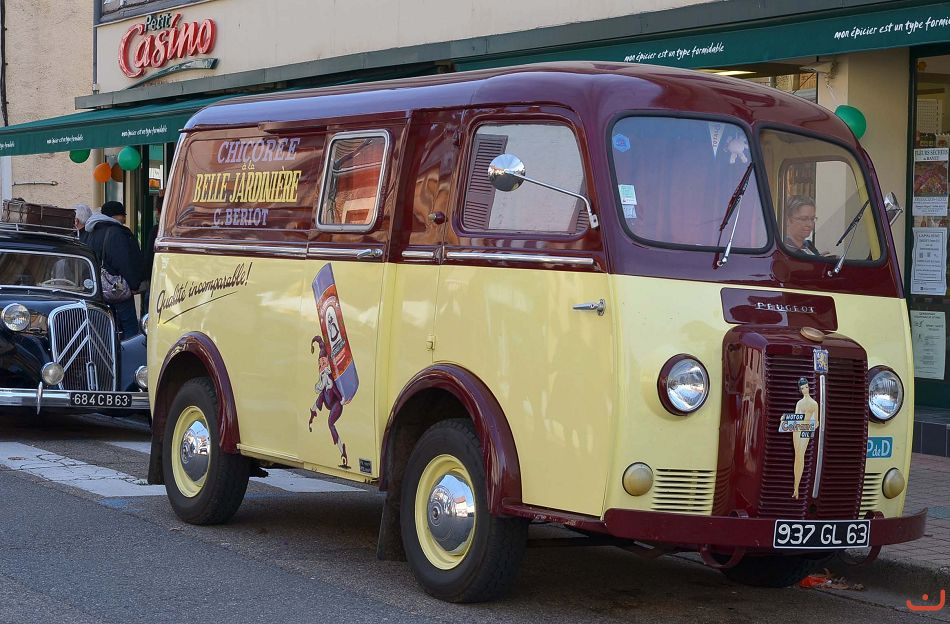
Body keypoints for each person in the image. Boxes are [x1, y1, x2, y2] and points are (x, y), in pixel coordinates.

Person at [85, 200, 144, 337]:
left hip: (97, 289)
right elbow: (124, 262)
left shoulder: (91, 232)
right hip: (117, 288)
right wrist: (134, 284)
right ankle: (130, 351)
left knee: (104, 327)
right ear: (116, 216)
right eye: (123, 215)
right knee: (130, 327)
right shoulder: (117, 233)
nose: (124, 219)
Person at [791, 377, 819, 499]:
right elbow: (796, 418)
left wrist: (811, 426)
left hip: (806, 429)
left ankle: (797, 488)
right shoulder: (799, 403)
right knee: (798, 456)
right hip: (797, 430)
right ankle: (795, 487)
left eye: (806, 387)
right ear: (800, 390)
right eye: (802, 388)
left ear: (809, 387)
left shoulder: (814, 404)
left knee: (801, 456)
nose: (805, 389)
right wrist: (786, 420)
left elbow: (816, 422)